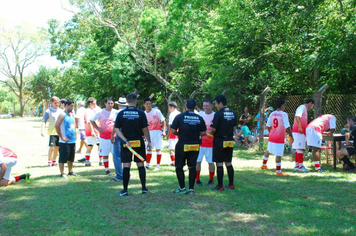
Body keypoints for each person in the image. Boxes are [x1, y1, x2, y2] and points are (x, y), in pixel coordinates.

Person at [114, 93, 151, 196]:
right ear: (136, 101)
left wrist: (125, 140)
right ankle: (144, 188)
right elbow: (145, 128)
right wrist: (149, 141)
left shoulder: (121, 113)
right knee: (140, 165)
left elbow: (116, 128)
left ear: (127, 102)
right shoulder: (141, 113)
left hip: (127, 144)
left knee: (126, 166)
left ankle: (125, 190)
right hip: (139, 143)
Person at [171, 98, 206, 194]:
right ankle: (191, 189)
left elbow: (173, 130)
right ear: (195, 107)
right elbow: (203, 132)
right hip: (195, 145)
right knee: (192, 166)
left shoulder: (179, 117)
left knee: (179, 166)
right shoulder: (199, 118)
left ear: (186, 105)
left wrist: (180, 134)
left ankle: (182, 188)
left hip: (182, 144)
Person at [210, 94, 237, 190]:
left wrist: (212, 132)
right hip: (229, 140)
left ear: (220, 103)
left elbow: (213, 129)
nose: (216, 106)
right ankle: (231, 184)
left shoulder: (218, 114)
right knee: (228, 162)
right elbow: (234, 127)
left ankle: (220, 185)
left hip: (219, 140)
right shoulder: (233, 113)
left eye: (216, 104)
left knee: (219, 163)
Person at [261, 99, 293, 176]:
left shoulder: (272, 114)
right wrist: (291, 135)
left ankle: (263, 165)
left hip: (272, 136)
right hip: (279, 137)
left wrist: (271, 132)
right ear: (282, 105)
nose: (285, 106)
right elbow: (287, 126)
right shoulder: (284, 114)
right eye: (284, 105)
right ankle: (278, 171)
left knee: (268, 150)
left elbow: (268, 126)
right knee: (278, 154)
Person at [90, 98, 117, 175]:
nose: (110, 105)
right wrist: (97, 128)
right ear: (105, 104)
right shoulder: (100, 112)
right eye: (109, 103)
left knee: (115, 154)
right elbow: (92, 120)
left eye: (112, 103)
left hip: (113, 137)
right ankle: (107, 169)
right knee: (105, 154)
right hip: (104, 137)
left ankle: (116, 168)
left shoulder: (115, 112)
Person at [55, 99, 77, 178]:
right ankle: (62, 173)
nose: (72, 108)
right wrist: (61, 137)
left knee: (71, 157)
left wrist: (75, 134)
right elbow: (57, 125)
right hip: (65, 141)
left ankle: (70, 171)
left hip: (72, 140)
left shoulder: (72, 115)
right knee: (63, 157)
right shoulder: (62, 115)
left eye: (73, 106)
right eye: (71, 106)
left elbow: (73, 126)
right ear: (66, 105)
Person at [291, 98, 315, 173]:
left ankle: (297, 165)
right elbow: (297, 117)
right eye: (313, 105)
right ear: (310, 103)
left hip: (299, 131)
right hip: (298, 131)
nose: (312, 107)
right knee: (300, 148)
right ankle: (301, 166)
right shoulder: (302, 107)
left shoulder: (304, 109)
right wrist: (300, 127)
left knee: (298, 148)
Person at [196, 99, 215, 186]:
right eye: (204, 106)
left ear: (212, 106)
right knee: (198, 161)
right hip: (200, 143)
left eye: (207, 106)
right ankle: (197, 179)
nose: (205, 107)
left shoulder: (215, 115)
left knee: (211, 162)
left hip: (211, 144)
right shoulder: (200, 115)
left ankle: (211, 179)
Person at [143, 98, 166, 171]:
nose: (149, 105)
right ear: (144, 105)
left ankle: (158, 165)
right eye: (147, 104)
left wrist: (164, 131)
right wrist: (143, 134)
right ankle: (147, 165)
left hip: (157, 132)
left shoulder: (157, 111)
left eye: (150, 104)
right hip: (148, 133)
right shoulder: (143, 113)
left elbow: (163, 121)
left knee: (158, 149)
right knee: (149, 148)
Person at [78, 97, 102, 166]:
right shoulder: (88, 111)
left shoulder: (92, 110)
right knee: (98, 145)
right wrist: (92, 131)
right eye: (94, 104)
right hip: (92, 131)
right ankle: (100, 160)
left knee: (90, 145)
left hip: (91, 131)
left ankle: (88, 161)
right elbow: (89, 122)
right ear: (90, 104)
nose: (95, 105)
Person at [110, 97, 128, 181]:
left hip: (119, 135)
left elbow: (115, 125)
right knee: (126, 155)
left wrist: (112, 135)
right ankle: (127, 173)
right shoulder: (129, 112)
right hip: (128, 136)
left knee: (117, 155)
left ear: (119, 104)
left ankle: (119, 175)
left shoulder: (118, 112)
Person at [41, 96, 62, 167]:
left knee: (57, 147)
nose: (57, 104)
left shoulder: (60, 111)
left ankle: (54, 161)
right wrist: (42, 130)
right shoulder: (48, 111)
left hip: (59, 132)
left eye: (58, 103)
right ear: (51, 103)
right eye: (55, 103)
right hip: (52, 132)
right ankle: (49, 162)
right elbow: (44, 121)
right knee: (52, 147)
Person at [167, 102, 180, 166]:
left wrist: (168, 134)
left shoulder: (172, 114)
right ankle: (179, 160)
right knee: (178, 149)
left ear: (172, 107)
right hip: (179, 133)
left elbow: (170, 125)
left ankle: (174, 161)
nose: (169, 109)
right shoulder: (179, 113)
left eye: (169, 107)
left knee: (171, 149)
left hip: (173, 133)